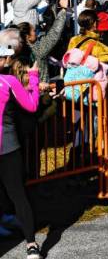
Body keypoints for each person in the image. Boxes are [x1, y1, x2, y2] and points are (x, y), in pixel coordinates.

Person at [0, 29, 42, 259]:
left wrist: (33, 79)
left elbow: (31, 106)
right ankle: (30, 243)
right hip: (8, 147)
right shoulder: (8, 80)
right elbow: (32, 105)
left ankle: (31, 243)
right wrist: (34, 78)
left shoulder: (8, 81)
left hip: (8, 148)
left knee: (17, 195)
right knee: (16, 195)